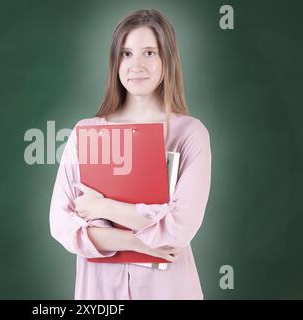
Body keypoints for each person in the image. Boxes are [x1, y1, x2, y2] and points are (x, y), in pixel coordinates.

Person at [49, 9, 211, 300]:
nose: (136, 64)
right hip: (99, 294)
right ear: (115, 62)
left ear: (167, 60)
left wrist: (102, 208)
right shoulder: (86, 133)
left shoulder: (190, 134)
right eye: (126, 54)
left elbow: (179, 228)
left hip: (169, 290)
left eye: (149, 52)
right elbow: (62, 224)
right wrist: (141, 244)